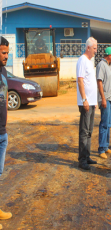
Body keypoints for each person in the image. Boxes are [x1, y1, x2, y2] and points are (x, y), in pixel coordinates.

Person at [76, 37, 98, 170]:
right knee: (84, 131)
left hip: (91, 102)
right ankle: (82, 160)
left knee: (89, 131)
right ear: (88, 47)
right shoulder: (82, 60)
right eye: (94, 48)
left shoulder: (89, 61)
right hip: (85, 103)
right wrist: (84, 99)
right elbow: (80, 80)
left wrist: (94, 101)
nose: (96, 50)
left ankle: (87, 156)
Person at [0, 36, 13, 228]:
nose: (6, 56)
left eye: (8, 53)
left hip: (2, 132)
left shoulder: (3, 71)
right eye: (3, 53)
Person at [97, 47, 111, 159]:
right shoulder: (101, 65)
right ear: (108, 55)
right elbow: (99, 82)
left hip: (110, 98)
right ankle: (101, 149)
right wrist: (103, 98)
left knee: (108, 124)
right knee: (104, 124)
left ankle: (105, 146)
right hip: (105, 99)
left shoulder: (108, 66)